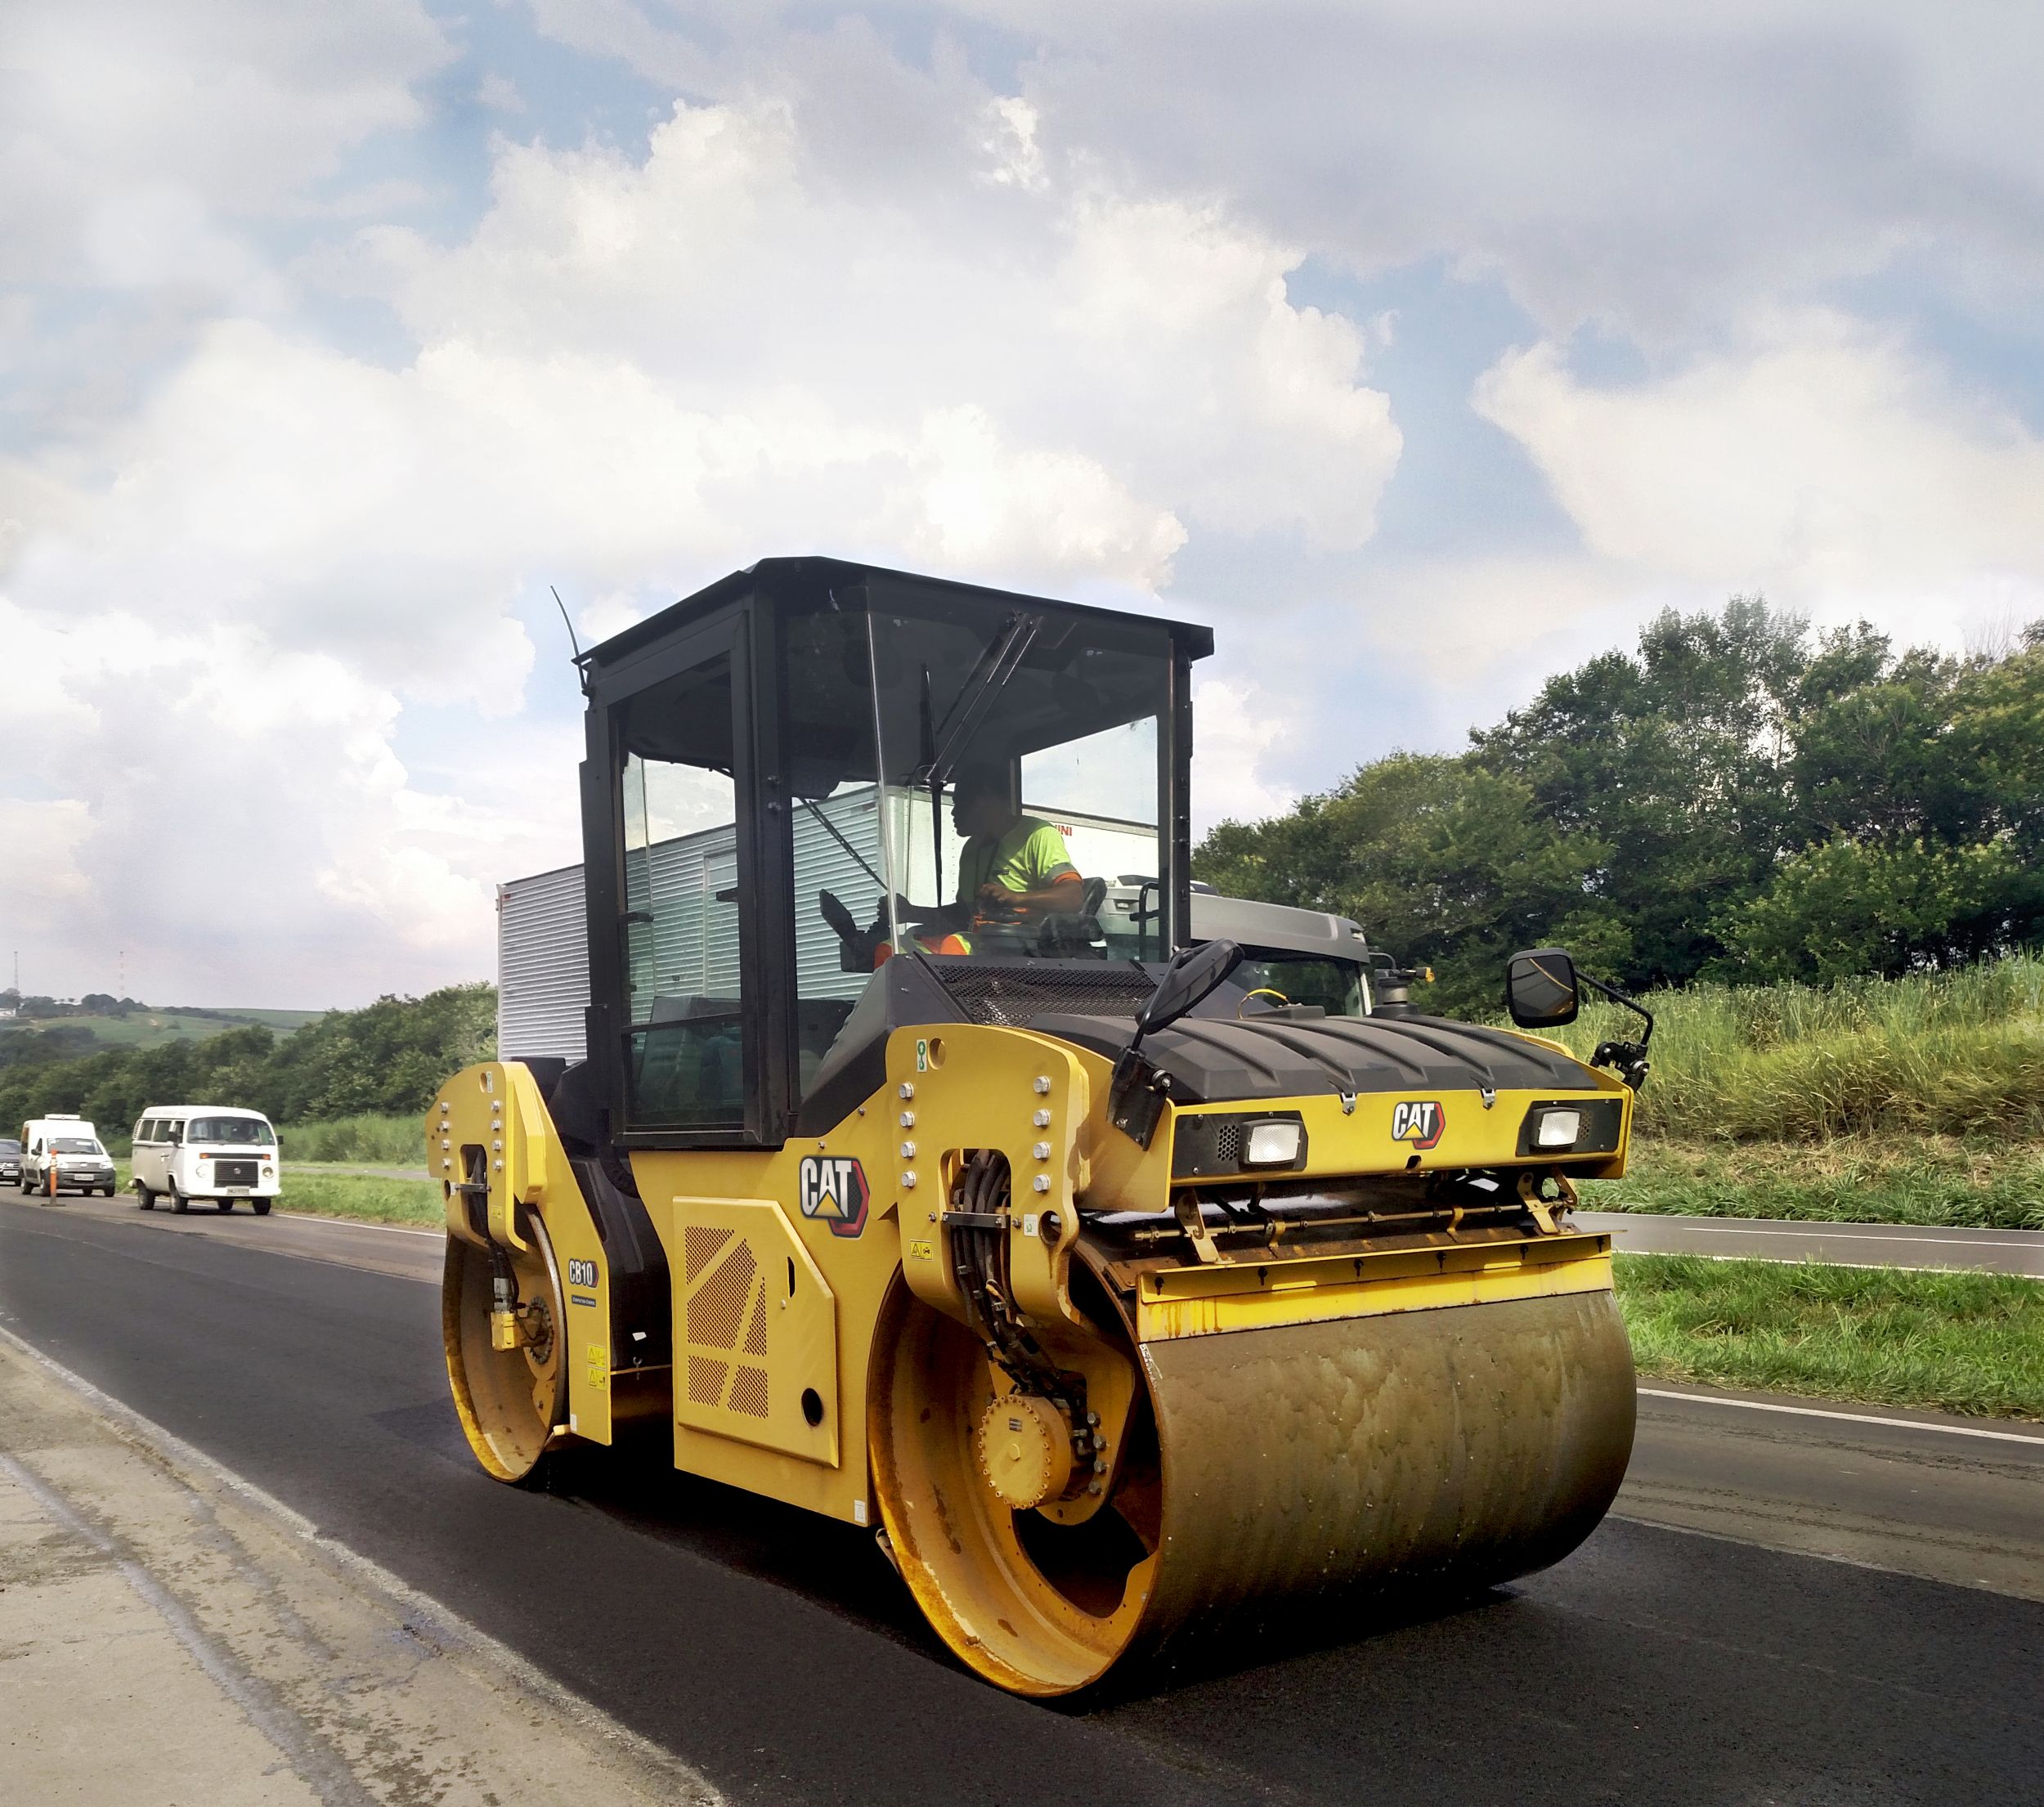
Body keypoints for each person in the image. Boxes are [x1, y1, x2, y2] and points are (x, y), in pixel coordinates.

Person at [946, 764, 1083, 929]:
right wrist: (914, 912)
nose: (953, 813)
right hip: (979, 945)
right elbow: (964, 914)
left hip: (1019, 949)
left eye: (960, 803)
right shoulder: (971, 848)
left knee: (950, 946)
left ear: (985, 799)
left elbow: (1073, 898)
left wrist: (1016, 897)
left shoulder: (1037, 834)